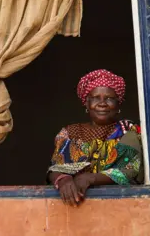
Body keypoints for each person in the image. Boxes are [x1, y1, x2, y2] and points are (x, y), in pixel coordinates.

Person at [47, 69, 143, 206]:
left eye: (109, 98)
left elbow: (130, 170)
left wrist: (91, 178)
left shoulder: (127, 130)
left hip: (118, 206)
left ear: (118, 105)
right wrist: (63, 179)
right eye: (96, 98)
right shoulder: (69, 133)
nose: (102, 103)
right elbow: (54, 168)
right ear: (86, 104)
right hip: (72, 208)